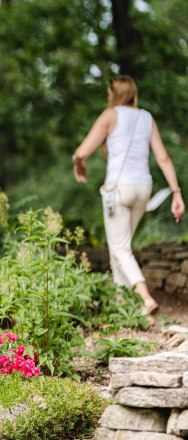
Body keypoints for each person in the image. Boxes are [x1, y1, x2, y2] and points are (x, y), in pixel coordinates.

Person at [72, 75, 185, 315]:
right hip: (143, 188)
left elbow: (82, 151)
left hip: (119, 189)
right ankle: (121, 307)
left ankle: (145, 298)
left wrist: (78, 163)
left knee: (121, 248)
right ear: (133, 93)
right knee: (119, 247)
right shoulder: (146, 117)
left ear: (112, 93)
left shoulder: (110, 115)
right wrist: (176, 193)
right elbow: (163, 158)